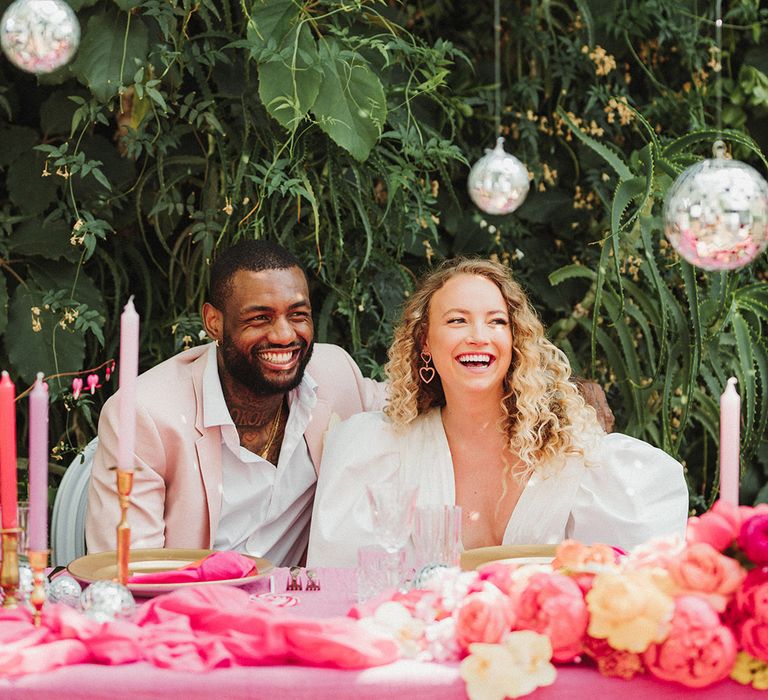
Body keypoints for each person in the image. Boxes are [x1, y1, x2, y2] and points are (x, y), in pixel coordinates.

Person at [307, 258, 689, 566]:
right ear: (424, 342)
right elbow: (346, 587)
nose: (479, 335)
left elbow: (635, 579)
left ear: (515, 340)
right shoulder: (377, 450)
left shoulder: (576, 454)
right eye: (457, 320)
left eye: (497, 321)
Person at [85, 240, 386, 566]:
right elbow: (126, 571)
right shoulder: (145, 415)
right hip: (190, 609)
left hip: (302, 610)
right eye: (260, 318)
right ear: (214, 321)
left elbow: (419, 402)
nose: (285, 335)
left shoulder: (336, 375)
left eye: (298, 314)